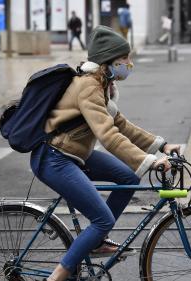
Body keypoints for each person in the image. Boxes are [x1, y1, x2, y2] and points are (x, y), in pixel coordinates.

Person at [31, 25, 180, 281]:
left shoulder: (102, 84)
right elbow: (109, 135)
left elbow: (122, 125)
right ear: (108, 61)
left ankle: (96, 241)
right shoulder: (88, 86)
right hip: (54, 158)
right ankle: (56, 277)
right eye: (125, 59)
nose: (129, 64)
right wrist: (150, 162)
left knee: (129, 178)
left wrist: (161, 145)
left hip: (74, 154)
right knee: (102, 218)